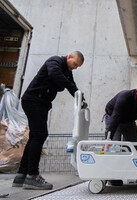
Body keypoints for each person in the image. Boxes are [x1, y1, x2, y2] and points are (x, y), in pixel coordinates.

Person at [12, 51, 85, 190]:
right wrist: (72, 89)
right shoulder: (55, 61)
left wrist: (81, 99)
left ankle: (21, 175)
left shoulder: (67, 70)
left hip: (40, 102)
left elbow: (72, 86)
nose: (75, 67)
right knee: (39, 135)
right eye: (75, 64)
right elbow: (54, 75)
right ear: (69, 56)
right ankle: (32, 176)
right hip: (34, 100)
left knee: (35, 136)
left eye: (77, 67)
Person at [104, 84, 137, 186]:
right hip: (113, 118)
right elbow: (115, 117)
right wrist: (109, 137)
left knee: (133, 147)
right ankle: (112, 177)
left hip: (129, 122)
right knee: (114, 147)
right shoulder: (125, 97)